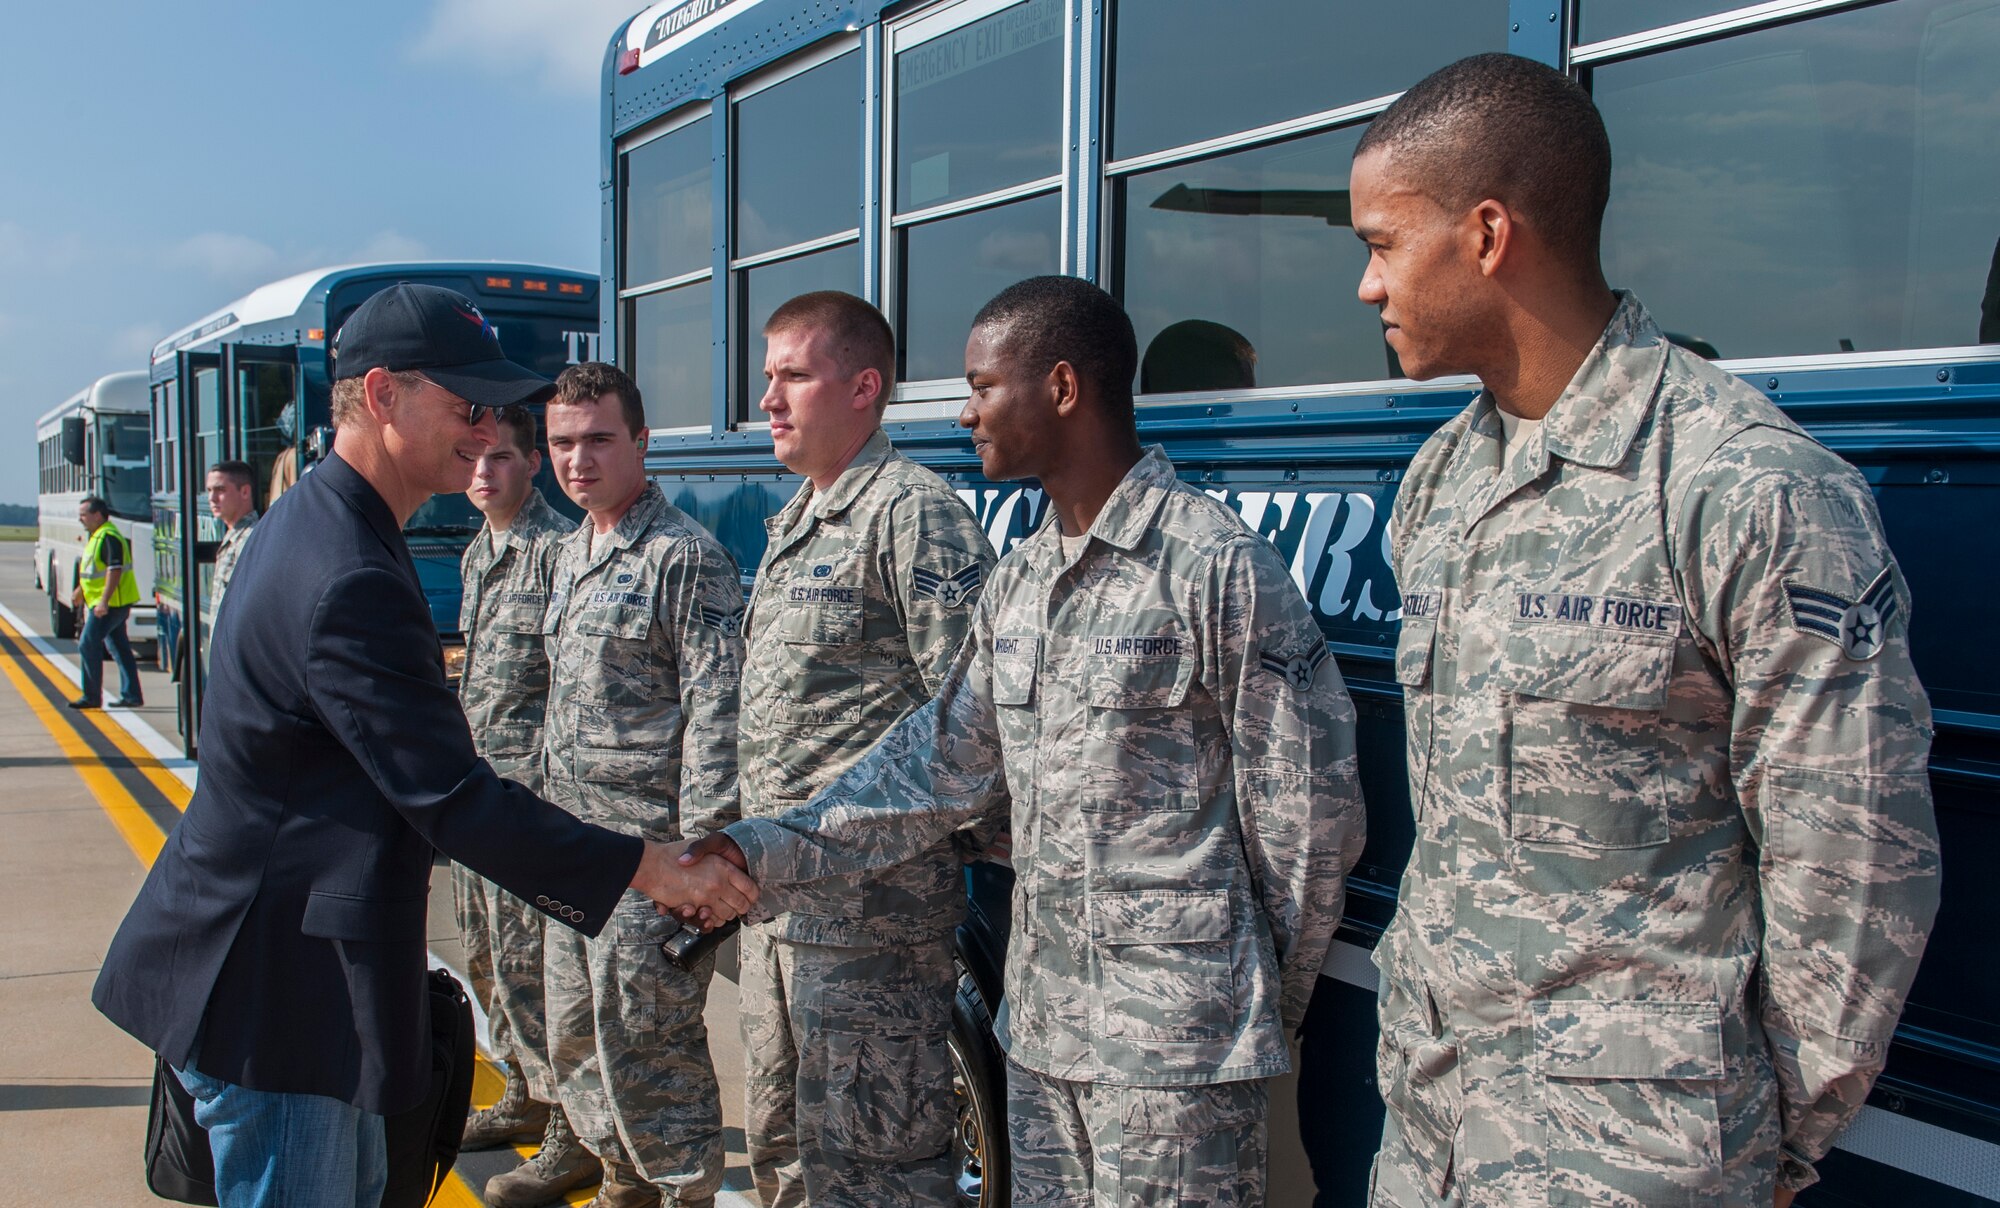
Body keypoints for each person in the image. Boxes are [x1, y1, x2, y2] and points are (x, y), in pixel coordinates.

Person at [1346, 54, 1941, 1207]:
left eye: (1379, 242)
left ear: (1484, 233)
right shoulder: (1438, 483)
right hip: (1431, 1132)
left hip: (1629, 1162)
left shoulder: (1744, 488)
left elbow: (1856, 863)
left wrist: (1761, 1137)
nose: (1367, 287)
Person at [688, 276, 1367, 1208]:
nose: (964, 413)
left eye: (981, 386)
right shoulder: (1020, 588)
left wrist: (1243, 1004)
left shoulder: (1211, 566)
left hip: (1177, 1057)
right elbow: (932, 767)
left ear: (1060, 387)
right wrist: (755, 846)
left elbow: (1310, 817)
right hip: (1044, 1040)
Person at [91, 285, 757, 1208]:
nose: (488, 433)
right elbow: (449, 797)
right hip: (284, 1002)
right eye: (464, 406)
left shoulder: (336, 525)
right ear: (381, 396)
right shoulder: (346, 567)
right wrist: (649, 868)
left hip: (304, 986)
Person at [736, 291, 996, 1208]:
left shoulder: (912, 514)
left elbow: (976, 719)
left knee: (881, 1176)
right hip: (779, 916)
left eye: (794, 376)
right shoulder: (799, 519)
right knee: (786, 1155)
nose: (769, 397)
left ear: (863, 387)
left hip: (872, 930)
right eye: (768, 376)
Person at [537, 362, 746, 1208]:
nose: (577, 460)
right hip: (569, 855)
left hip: (648, 865)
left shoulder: (683, 558)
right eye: (561, 443)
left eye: (598, 440)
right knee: (578, 1041)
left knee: (650, 1050)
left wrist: (698, 862)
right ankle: (621, 1181)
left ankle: (682, 1191)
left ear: (643, 443)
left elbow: (718, 712)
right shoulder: (567, 552)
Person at [447, 406, 603, 1207]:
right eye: (473, 459)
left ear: (532, 463)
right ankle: (522, 1089)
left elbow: (567, 684)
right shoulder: (482, 552)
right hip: (479, 797)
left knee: (539, 974)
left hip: (529, 803)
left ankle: (571, 1136)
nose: (483, 474)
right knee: (488, 960)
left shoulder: (554, 551)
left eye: (500, 459)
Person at [69, 494, 144, 709]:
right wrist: (80, 590)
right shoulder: (98, 536)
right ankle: (132, 695)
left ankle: (91, 696)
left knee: (87, 644)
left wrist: (103, 602)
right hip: (109, 603)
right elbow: (94, 572)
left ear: (98, 515)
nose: (80, 519)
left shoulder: (108, 537)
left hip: (110, 605)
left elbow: (114, 571)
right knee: (119, 647)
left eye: (84, 515)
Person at [206, 460, 260, 614]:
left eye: (220, 489)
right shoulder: (233, 537)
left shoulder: (251, 539)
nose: (212, 498)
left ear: (244, 492)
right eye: (209, 490)